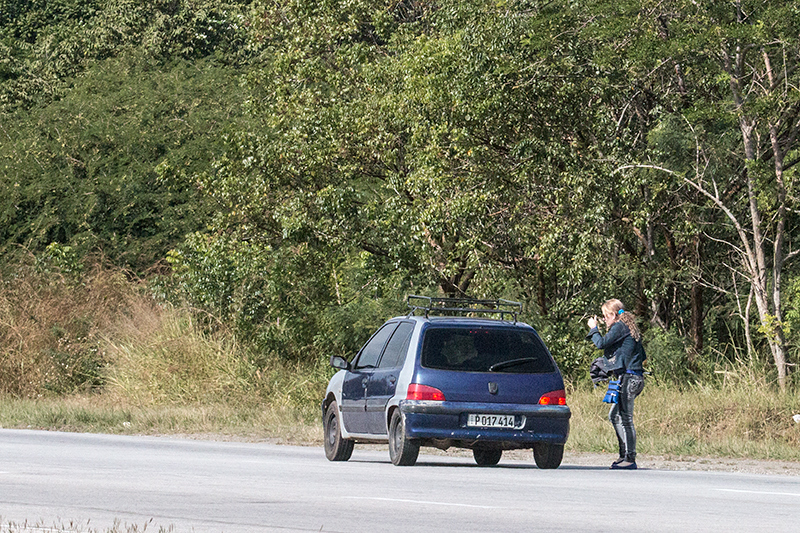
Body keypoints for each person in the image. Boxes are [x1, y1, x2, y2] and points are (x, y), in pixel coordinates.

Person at [586, 298, 646, 470]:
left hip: (629, 378)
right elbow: (643, 355)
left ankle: (629, 458)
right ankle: (623, 455)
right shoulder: (630, 328)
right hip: (632, 377)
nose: (604, 320)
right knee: (614, 416)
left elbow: (601, 343)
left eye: (606, 316)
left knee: (625, 419)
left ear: (613, 315)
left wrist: (593, 329)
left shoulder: (619, 326)